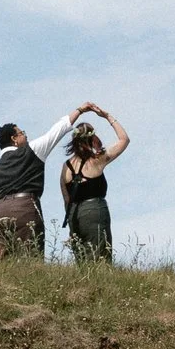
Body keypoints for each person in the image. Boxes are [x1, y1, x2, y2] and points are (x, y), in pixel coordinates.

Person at [0, 107, 83, 258]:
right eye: (22, 133)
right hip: (26, 209)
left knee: (3, 266)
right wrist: (80, 110)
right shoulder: (33, 150)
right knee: (30, 259)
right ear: (14, 139)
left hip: (0, 213)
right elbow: (57, 131)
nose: (25, 136)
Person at [59, 103, 129, 263]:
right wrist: (107, 116)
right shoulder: (97, 160)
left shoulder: (66, 167)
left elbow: (66, 199)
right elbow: (124, 139)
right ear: (92, 138)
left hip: (74, 215)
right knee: (101, 257)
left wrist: (71, 222)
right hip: (95, 211)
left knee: (82, 259)